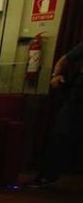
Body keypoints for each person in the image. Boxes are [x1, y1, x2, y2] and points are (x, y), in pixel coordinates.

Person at [32, 41, 83, 187]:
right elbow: (65, 59)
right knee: (61, 134)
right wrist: (56, 75)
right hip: (78, 97)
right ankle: (47, 176)